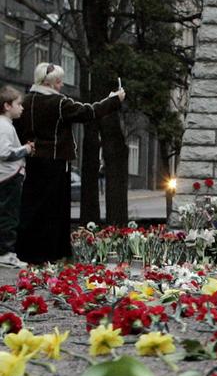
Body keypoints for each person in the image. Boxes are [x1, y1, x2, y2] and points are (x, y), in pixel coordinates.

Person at [15, 63, 124, 265]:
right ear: (49, 82)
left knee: (32, 207)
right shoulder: (59, 103)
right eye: (58, 81)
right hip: (56, 162)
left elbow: (18, 127)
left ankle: (27, 252)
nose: (61, 85)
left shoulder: (26, 101)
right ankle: (53, 253)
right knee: (55, 209)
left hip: (32, 159)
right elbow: (88, 112)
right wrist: (114, 100)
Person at [0, 87, 33, 268]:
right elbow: (4, 153)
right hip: (9, 177)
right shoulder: (4, 126)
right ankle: (6, 253)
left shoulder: (5, 125)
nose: (21, 108)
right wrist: (25, 150)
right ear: (7, 106)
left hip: (7, 176)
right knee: (9, 215)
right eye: (18, 104)